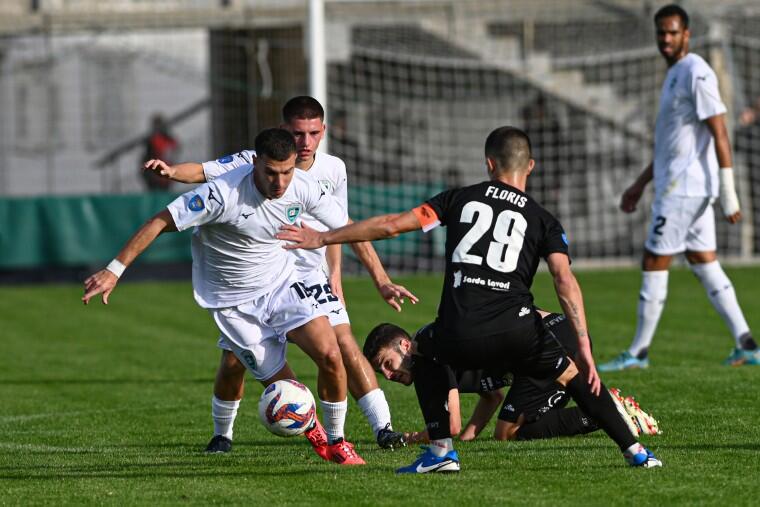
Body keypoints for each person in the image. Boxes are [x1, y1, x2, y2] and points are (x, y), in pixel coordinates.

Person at [277, 126, 663, 472]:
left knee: (423, 348)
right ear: (530, 166)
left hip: (459, 331)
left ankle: (441, 453)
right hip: (520, 329)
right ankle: (636, 452)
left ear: (489, 163)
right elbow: (564, 280)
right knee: (575, 377)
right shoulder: (543, 219)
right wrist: (583, 344)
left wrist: (323, 237)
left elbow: (391, 226)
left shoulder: (459, 199)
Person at [144, 96, 414, 454]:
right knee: (233, 361)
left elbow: (345, 227)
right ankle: (223, 434)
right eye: (298, 133)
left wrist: (351, 275)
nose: (305, 142)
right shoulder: (252, 162)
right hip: (258, 275)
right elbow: (203, 173)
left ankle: (380, 429)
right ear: (284, 131)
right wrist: (172, 171)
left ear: (323, 132)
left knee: (341, 346)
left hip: (309, 274)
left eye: (313, 133)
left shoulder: (334, 169)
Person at [84, 128, 366, 465]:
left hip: (281, 283)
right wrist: (114, 270)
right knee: (283, 387)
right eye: (271, 173)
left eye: (287, 172)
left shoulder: (303, 186)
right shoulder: (222, 194)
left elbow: (349, 227)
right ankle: (313, 438)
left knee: (331, 354)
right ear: (255, 163)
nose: (279, 182)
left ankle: (338, 441)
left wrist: (376, 275)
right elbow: (160, 221)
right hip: (233, 303)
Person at [598, 4, 759, 371]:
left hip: (683, 190)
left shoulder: (696, 72)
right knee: (703, 261)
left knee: (654, 259)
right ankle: (747, 344)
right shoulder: (674, 74)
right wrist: (639, 185)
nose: (666, 39)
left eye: (673, 32)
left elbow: (720, 132)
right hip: (683, 185)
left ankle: (638, 352)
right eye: (661, 33)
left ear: (687, 34)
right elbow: (671, 147)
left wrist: (729, 191)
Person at [364, 312, 660, 444]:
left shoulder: (429, 350)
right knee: (526, 424)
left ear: (405, 346)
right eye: (381, 372)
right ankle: (607, 408)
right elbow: (491, 394)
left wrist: (414, 437)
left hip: (548, 342)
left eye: (388, 364)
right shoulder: (433, 348)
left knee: (507, 432)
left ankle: (607, 413)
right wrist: (469, 438)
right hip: (558, 333)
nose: (388, 375)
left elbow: (449, 425)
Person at [141, 114, 179, 191]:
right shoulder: (151, 139)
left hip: (165, 173)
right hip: (153, 174)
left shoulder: (169, 140)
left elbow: (174, 152)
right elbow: (147, 157)